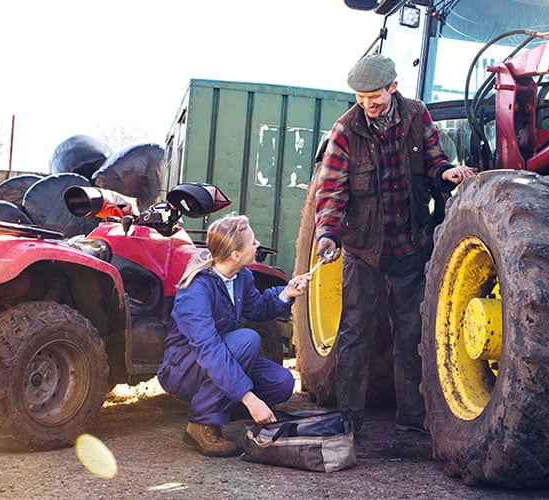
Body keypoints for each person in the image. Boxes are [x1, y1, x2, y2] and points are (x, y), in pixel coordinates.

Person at [314, 53, 475, 435]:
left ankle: (412, 418)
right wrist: (326, 234)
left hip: (408, 244)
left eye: (375, 97)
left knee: (412, 329)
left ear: (394, 88)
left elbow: (435, 162)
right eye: (360, 98)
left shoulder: (418, 116)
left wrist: (447, 172)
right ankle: (349, 419)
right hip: (364, 250)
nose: (368, 105)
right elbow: (332, 191)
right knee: (355, 332)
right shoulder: (345, 131)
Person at [157, 214, 312, 457]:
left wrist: (287, 292)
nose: (257, 244)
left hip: (218, 357)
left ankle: (221, 409)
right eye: (252, 242)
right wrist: (250, 399)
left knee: (281, 382)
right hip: (184, 368)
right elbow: (210, 351)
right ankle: (200, 423)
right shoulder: (195, 290)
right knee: (247, 340)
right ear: (235, 255)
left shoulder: (241, 277)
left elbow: (258, 308)